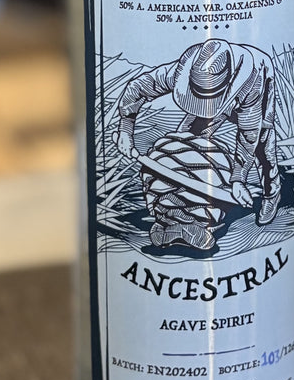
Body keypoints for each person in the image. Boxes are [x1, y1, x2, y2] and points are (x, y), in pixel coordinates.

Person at [115, 39, 282, 249]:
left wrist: (238, 180)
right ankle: (179, 218)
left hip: (255, 94)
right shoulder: (183, 72)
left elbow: (249, 135)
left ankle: (271, 193)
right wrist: (125, 129)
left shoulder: (253, 79)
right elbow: (138, 88)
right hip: (218, 93)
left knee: (264, 149)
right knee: (184, 144)